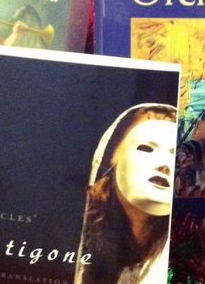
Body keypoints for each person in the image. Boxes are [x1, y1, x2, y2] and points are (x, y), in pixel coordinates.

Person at [75, 104, 177, 284]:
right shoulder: (74, 227)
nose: (164, 165)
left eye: (174, 154)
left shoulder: (181, 246)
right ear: (113, 156)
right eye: (147, 148)